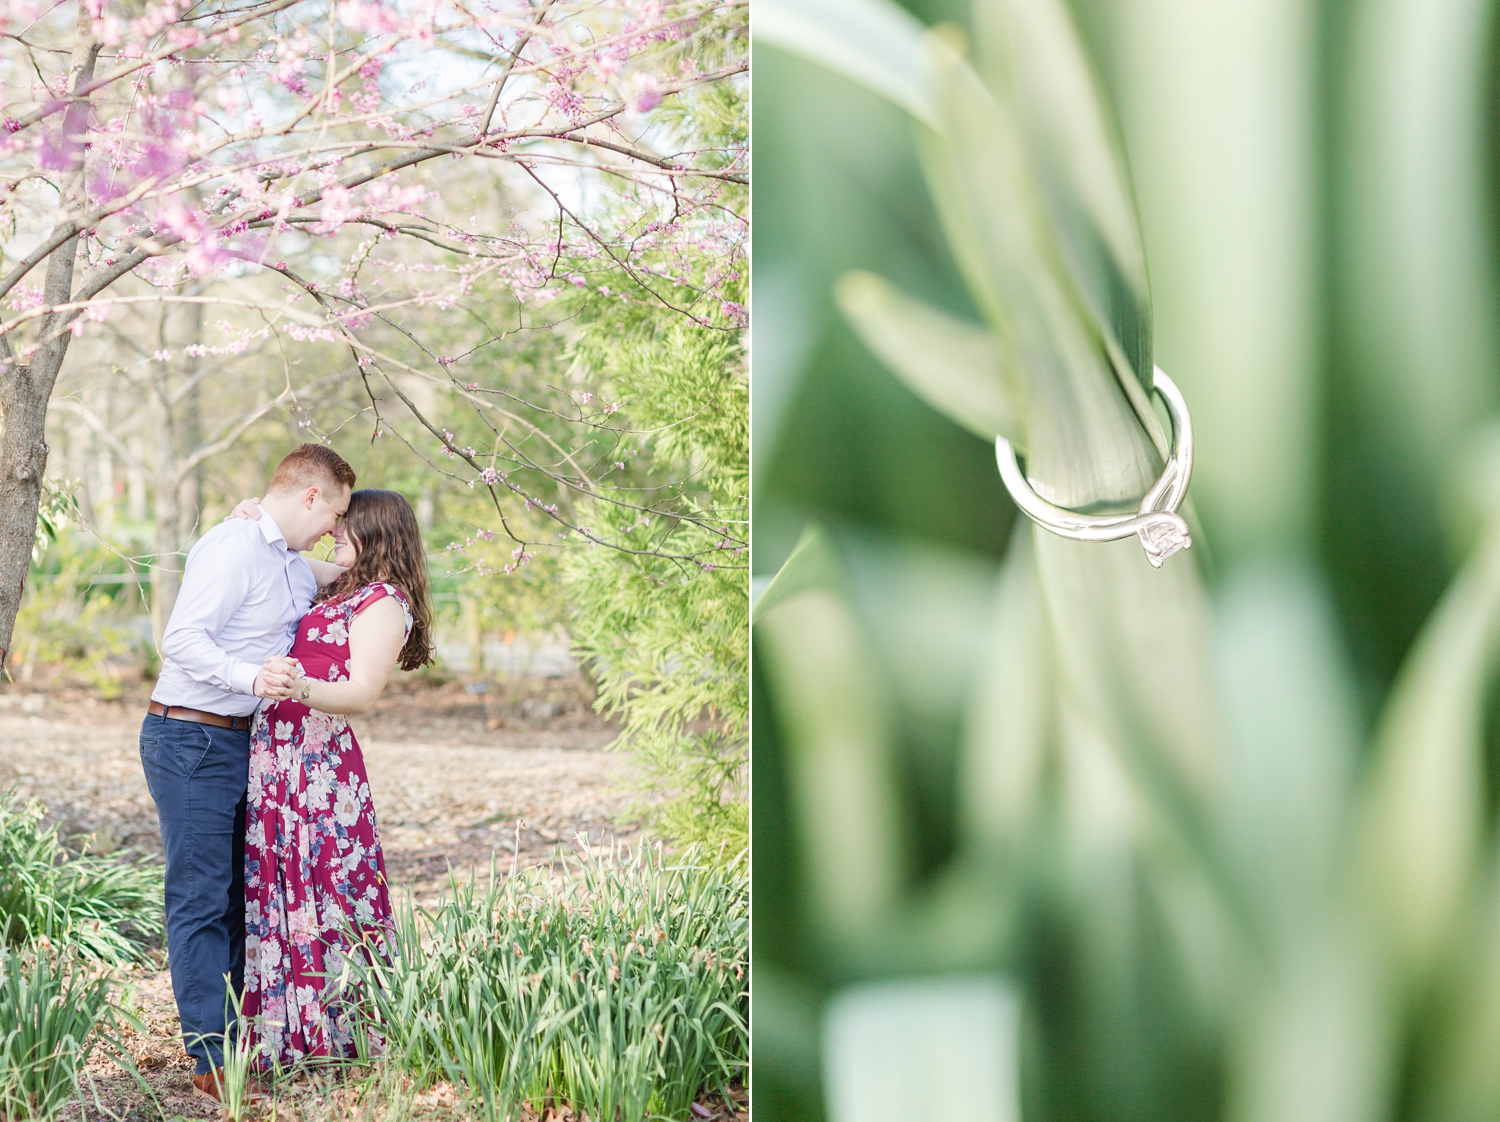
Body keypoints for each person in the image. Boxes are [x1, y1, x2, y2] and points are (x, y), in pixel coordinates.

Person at [139, 443, 355, 1103]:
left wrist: (344, 554)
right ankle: (211, 1062)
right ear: (310, 495)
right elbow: (180, 639)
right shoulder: (234, 546)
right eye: (334, 512)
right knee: (202, 900)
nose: (333, 528)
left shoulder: (291, 565)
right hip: (190, 736)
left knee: (238, 898)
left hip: (241, 742)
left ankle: (235, 1047)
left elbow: (339, 568)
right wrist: (250, 676)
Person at [231, 488, 434, 1070]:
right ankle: (286, 1032)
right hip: (277, 758)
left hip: (319, 765)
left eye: (347, 525)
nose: (334, 532)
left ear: (377, 531)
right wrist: (254, 517)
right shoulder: (340, 584)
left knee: (330, 886)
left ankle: (344, 1036)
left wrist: (297, 689)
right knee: (281, 883)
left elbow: (363, 693)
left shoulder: (384, 603)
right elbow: (282, 556)